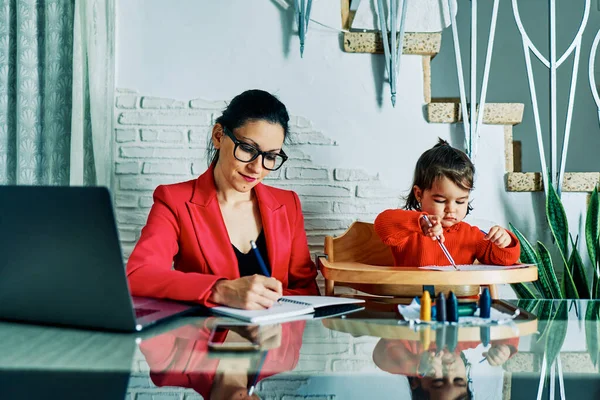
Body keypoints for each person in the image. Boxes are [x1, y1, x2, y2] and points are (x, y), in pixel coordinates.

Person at [126, 89, 319, 310]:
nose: (257, 167)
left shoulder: (288, 205)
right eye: (247, 149)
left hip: (273, 340)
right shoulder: (175, 201)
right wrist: (221, 290)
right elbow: (138, 276)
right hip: (204, 340)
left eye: (270, 156)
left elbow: (307, 291)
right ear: (218, 136)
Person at [374, 138, 520, 267]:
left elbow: (505, 259)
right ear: (419, 194)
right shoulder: (408, 230)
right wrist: (420, 223)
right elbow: (383, 223)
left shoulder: (471, 236)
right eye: (440, 200)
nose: (451, 209)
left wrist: (506, 242)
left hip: (461, 298)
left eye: (460, 201)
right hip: (413, 298)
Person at [139, 318, 305, 399]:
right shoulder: (286, 358)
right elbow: (301, 291)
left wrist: (214, 324)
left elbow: (147, 314)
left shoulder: (172, 368)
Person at [372, 337, 518, 400]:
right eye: (459, 380)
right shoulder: (467, 340)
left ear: (416, 381)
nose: (450, 371)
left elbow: (381, 355)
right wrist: (505, 347)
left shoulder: (411, 349)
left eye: (439, 382)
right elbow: (507, 324)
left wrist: (417, 365)